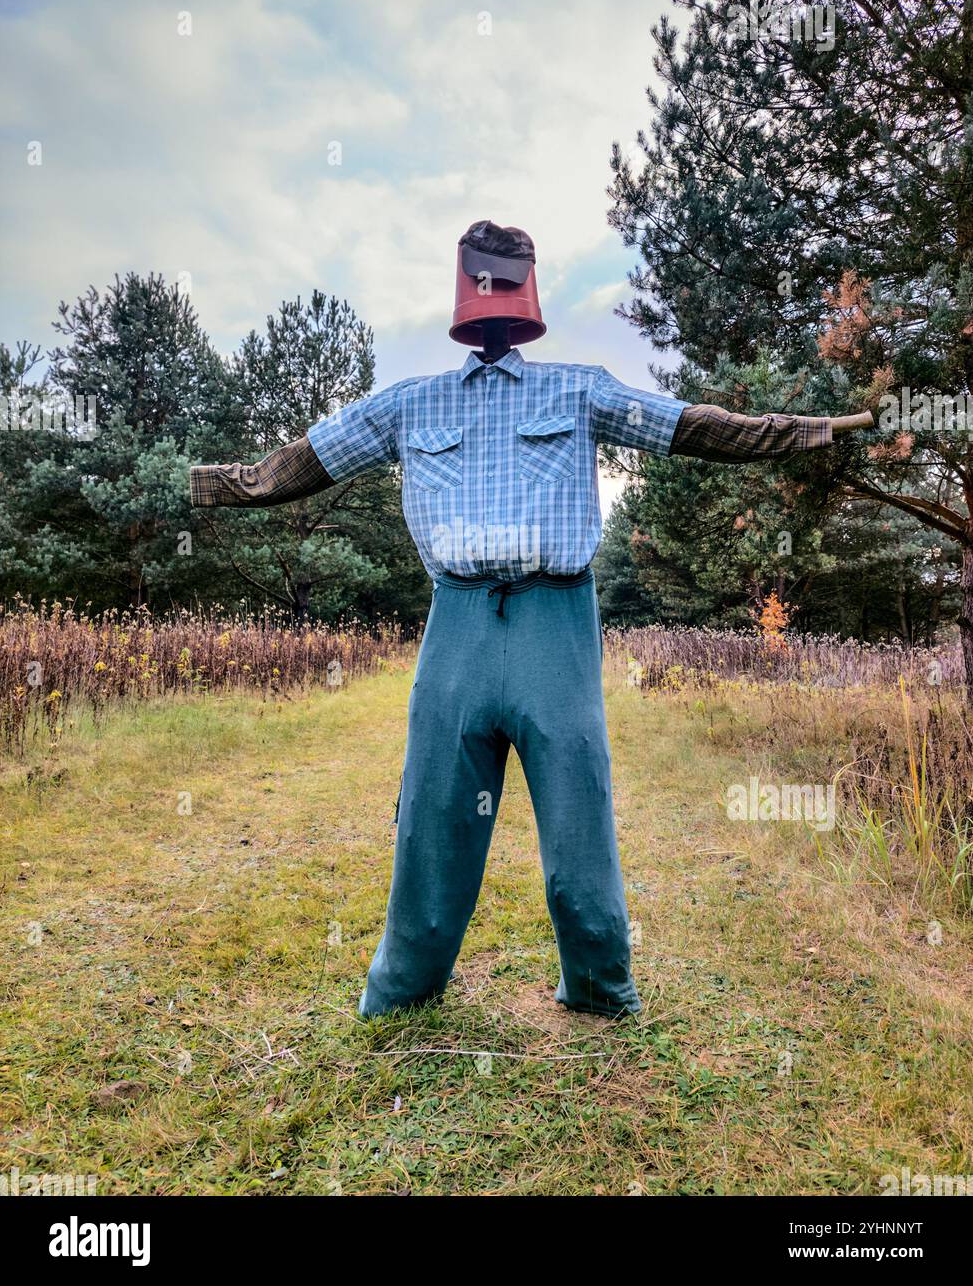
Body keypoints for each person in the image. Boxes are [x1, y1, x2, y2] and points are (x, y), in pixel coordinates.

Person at [191, 220, 873, 1018]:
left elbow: (687, 424)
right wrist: (207, 484)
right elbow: (300, 461)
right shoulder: (412, 405)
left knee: (578, 815)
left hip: (557, 622)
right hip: (458, 624)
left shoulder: (577, 389)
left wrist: (813, 430)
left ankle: (596, 985)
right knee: (433, 818)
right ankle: (403, 990)